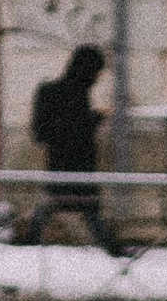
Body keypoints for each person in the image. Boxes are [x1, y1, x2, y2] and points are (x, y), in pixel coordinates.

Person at [25, 42, 115, 248]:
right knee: (87, 209)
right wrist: (96, 117)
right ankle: (113, 250)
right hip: (75, 163)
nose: (98, 77)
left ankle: (29, 244)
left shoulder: (56, 90)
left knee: (54, 205)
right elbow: (75, 128)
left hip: (60, 162)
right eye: (97, 72)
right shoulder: (74, 93)